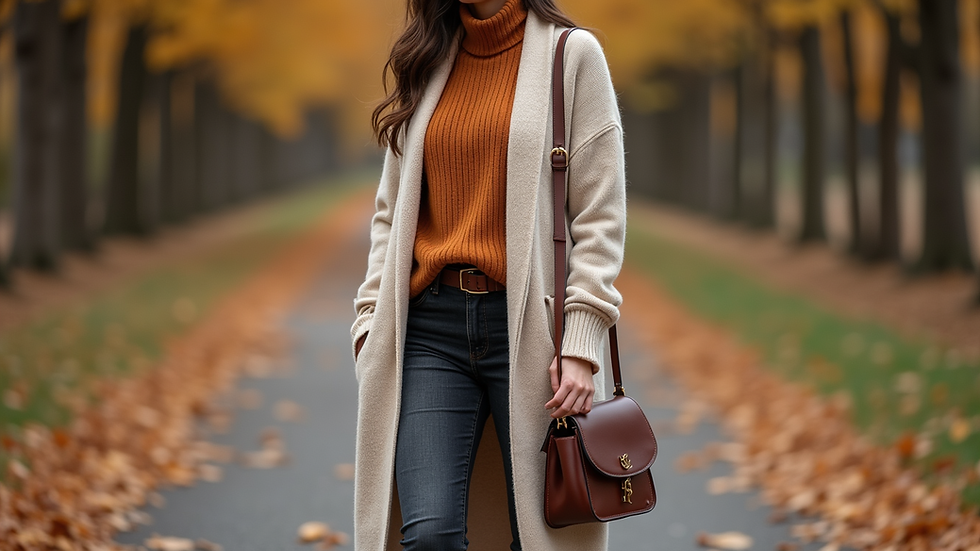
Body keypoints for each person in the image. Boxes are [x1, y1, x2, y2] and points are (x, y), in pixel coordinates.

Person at [350, 0, 625, 548]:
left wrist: (582, 340)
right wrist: (369, 319)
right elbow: (391, 210)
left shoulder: (571, 57)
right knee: (427, 534)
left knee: (537, 533)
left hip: (530, 336)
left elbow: (600, 218)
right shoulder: (427, 58)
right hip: (429, 331)